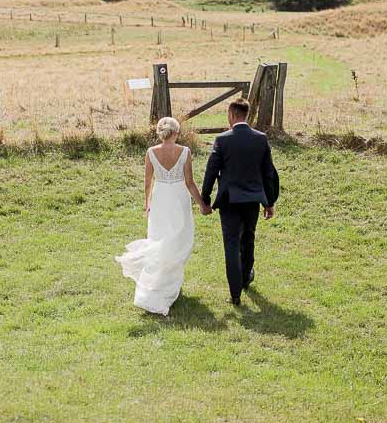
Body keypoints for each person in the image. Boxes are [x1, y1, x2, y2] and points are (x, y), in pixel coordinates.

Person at [115, 116, 205, 315]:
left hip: (160, 198)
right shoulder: (185, 152)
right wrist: (202, 204)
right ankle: (168, 285)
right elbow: (190, 182)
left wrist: (148, 202)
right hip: (178, 198)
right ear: (175, 132)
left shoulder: (151, 152)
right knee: (179, 239)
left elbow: (148, 182)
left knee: (160, 238)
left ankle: (164, 283)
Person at [201, 98, 280, 306]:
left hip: (229, 201)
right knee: (249, 239)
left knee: (231, 243)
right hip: (253, 199)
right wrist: (269, 202)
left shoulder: (222, 139)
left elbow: (211, 171)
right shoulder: (261, 139)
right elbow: (268, 173)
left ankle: (235, 294)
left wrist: (205, 199)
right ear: (247, 115)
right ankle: (245, 279)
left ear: (231, 114)